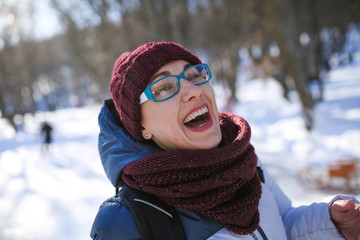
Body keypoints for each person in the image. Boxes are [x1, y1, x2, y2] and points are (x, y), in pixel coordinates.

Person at [90, 42, 360, 240]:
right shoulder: (126, 222)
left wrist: (330, 222)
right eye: (164, 88)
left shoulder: (242, 158)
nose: (193, 91)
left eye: (194, 75)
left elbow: (283, 224)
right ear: (141, 126)